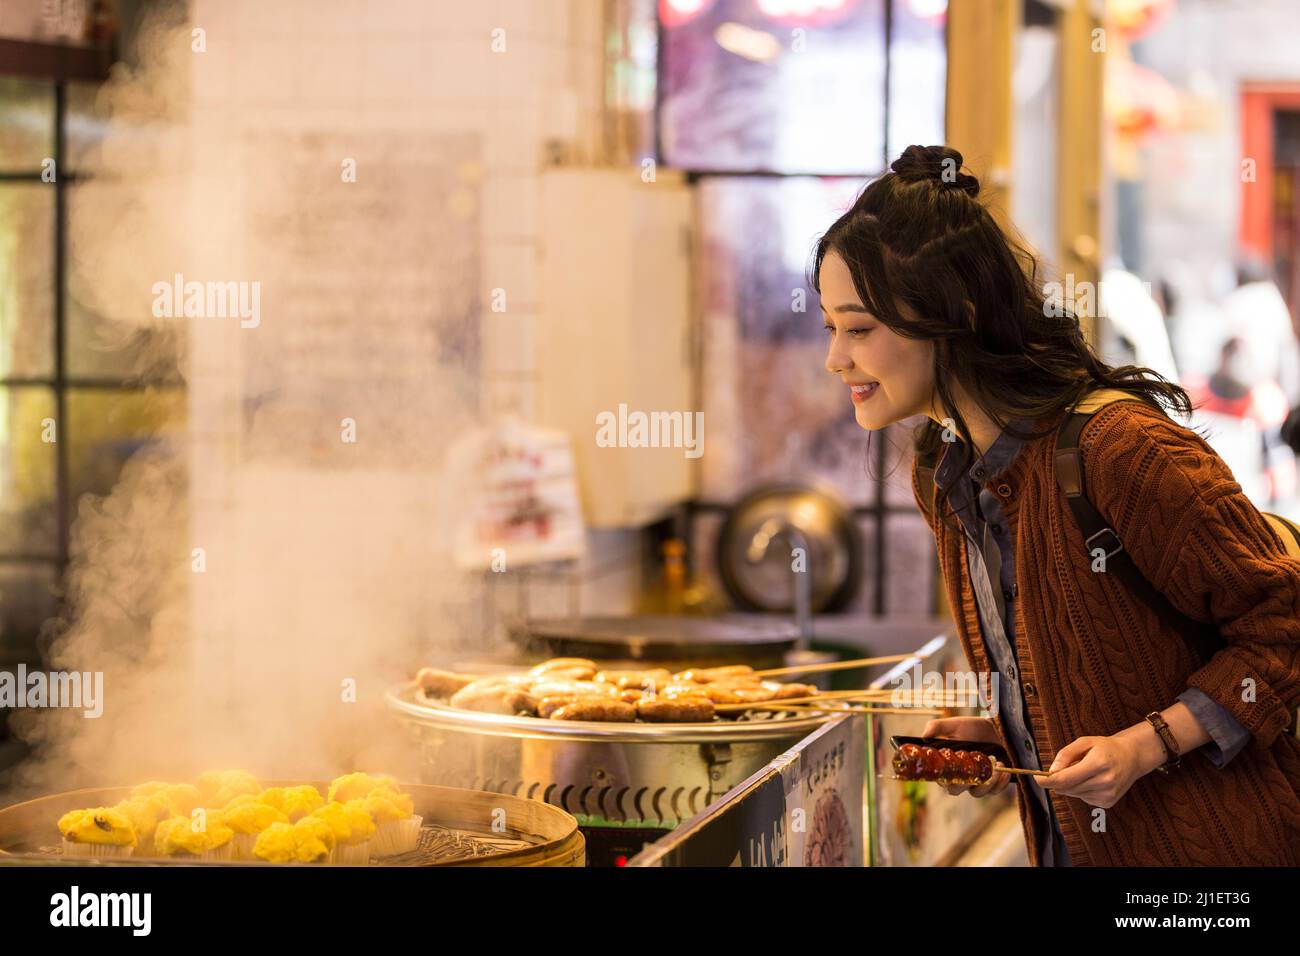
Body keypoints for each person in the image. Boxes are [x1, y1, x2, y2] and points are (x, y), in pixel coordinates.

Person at [813, 144, 1300, 866]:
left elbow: (1283, 625)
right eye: (829, 328)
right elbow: (1095, 668)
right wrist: (1013, 733)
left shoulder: (1116, 448)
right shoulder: (944, 476)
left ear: (957, 316)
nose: (836, 360)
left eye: (860, 329)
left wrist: (1146, 746)